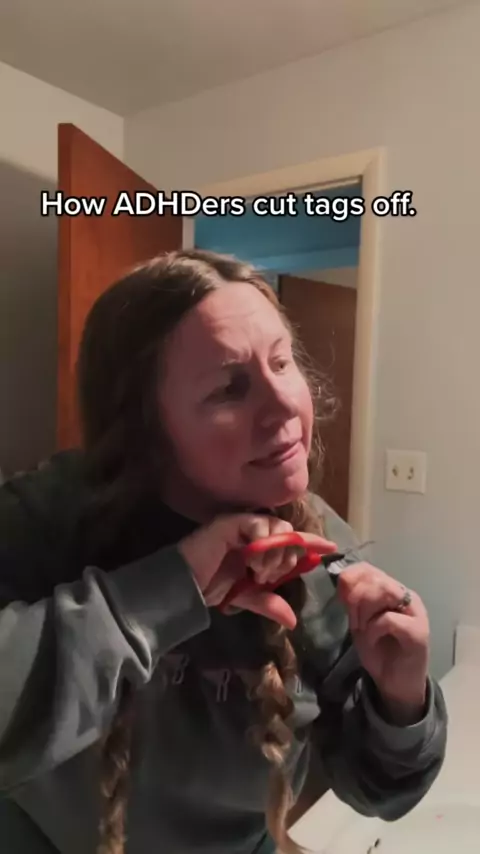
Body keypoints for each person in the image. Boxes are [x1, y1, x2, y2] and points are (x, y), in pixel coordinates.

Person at [0, 250, 447, 854]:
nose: (285, 404)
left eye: (282, 362)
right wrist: (165, 592)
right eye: (229, 389)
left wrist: (403, 703)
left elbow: (382, 794)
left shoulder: (322, 554)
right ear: (145, 431)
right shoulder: (43, 518)